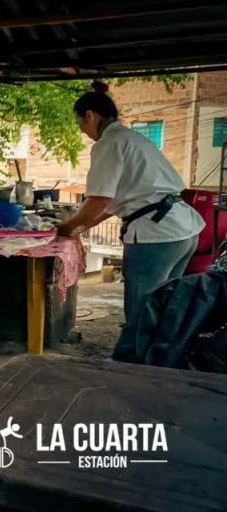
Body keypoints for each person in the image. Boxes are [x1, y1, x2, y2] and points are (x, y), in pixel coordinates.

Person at [56, 81, 204, 361]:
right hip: (182, 230)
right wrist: (80, 227)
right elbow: (111, 206)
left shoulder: (109, 143)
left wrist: (64, 229)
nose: (84, 133)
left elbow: (97, 200)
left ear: (90, 115)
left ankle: (130, 365)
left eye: (80, 125)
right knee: (165, 304)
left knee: (141, 307)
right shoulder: (132, 138)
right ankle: (162, 358)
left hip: (156, 235)